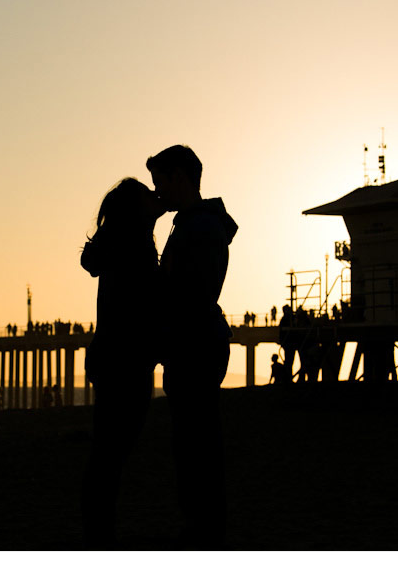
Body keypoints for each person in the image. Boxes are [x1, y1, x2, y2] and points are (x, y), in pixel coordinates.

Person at [147, 144, 238, 548]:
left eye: (160, 182)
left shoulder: (198, 228)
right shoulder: (195, 223)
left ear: (180, 178)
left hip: (194, 344)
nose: (157, 192)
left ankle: (204, 527)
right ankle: (204, 523)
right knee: (198, 438)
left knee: (195, 441)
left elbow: (191, 293)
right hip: (198, 341)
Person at [80, 177, 163, 548]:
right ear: (135, 208)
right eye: (148, 195)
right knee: (113, 450)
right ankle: (100, 537)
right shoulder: (134, 243)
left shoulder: (118, 240)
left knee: (107, 451)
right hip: (128, 358)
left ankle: (99, 532)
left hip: (110, 355)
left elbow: (91, 259)